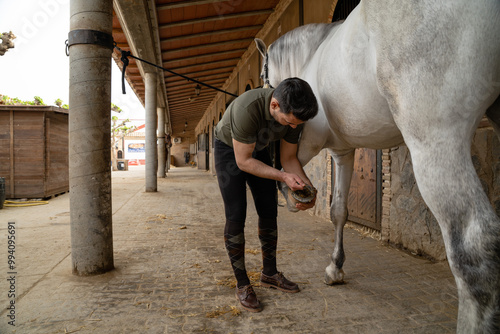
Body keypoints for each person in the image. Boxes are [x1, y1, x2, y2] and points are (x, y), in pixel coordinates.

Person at [214, 77, 319, 312]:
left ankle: (269, 274)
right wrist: (282, 177)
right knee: (236, 214)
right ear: (274, 106)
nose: (292, 127)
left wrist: (307, 189)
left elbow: (289, 159)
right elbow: (243, 162)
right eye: (288, 122)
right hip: (231, 152)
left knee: (269, 209)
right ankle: (242, 284)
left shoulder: (294, 117)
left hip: (257, 149)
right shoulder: (246, 109)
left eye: (296, 124)